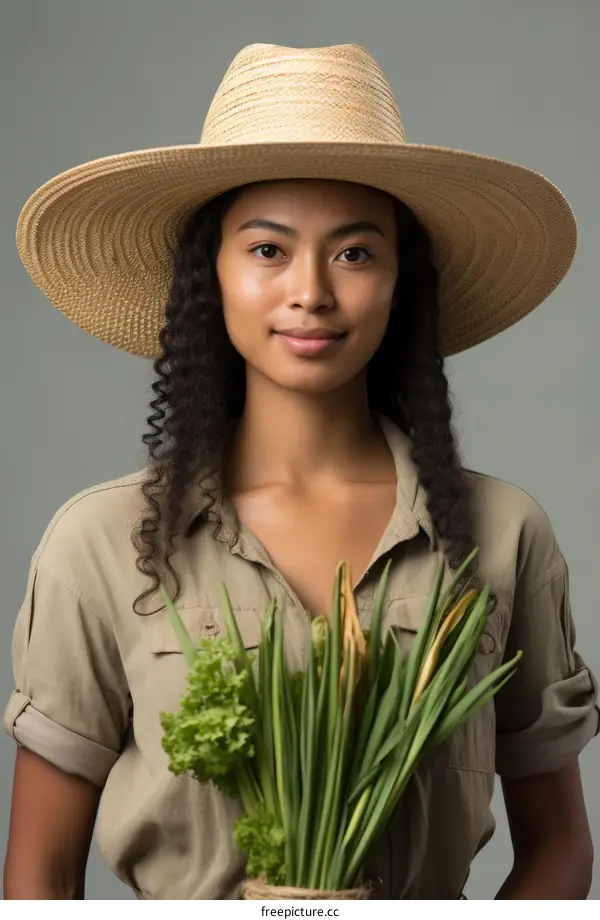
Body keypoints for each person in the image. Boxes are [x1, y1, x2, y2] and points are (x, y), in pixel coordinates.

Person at [3, 42, 598, 901]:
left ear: (402, 285)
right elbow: (38, 879)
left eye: (356, 254)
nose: (311, 291)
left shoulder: (501, 536)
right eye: (269, 250)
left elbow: (560, 849)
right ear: (211, 276)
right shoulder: (100, 544)